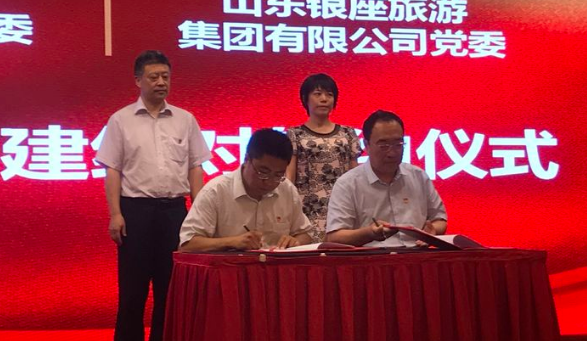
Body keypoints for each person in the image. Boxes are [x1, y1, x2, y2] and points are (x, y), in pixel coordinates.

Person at [95, 50, 211, 341]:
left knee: (169, 290)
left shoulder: (185, 120)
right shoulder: (120, 120)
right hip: (135, 212)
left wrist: (198, 211)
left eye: (165, 77)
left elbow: (195, 167)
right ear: (138, 81)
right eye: (154, 77)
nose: (161, 82)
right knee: (132, 291)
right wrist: (115, 214)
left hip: (174, 212)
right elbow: (112, 170)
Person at [326, 110, 447, 247]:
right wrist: (369, 233)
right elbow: (334, 236)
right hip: (373, 257)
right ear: (367, 145)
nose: (392, 153)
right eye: (384, 145)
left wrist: (432, 231)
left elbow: (440, 220)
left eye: (398, 144)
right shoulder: (348, 184)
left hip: (417, 253)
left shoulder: (418, 176)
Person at [179, 128, 314, 251]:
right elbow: (187, 245)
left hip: (275, 268)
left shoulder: (287, 190)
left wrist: (296, 241)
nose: (269, 182)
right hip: (229, 268)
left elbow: (305, 234)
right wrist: (231, 242)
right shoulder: (216, 191)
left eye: (278, 175)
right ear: (246, 159)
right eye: (263, 172)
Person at [286, 73, 362, 241]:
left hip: (342, 205)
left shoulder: (347, 133)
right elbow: (289, 177)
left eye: (329, 94)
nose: (324, 99)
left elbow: (355, 175)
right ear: (305, 98)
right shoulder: (295, 134)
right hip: (307, 207)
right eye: (317, 94)